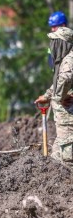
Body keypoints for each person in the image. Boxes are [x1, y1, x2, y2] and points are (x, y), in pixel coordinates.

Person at [35, 26, 73, 166]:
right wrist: (47, 95)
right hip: (64, 123)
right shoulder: (65, 59)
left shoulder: (70, 60)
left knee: (68, 160)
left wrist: (59, 98)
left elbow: (66, 79)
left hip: (69, 121)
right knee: (56, 158)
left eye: (55, 42)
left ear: (62, 43)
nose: (52, 46)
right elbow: (58, 83)